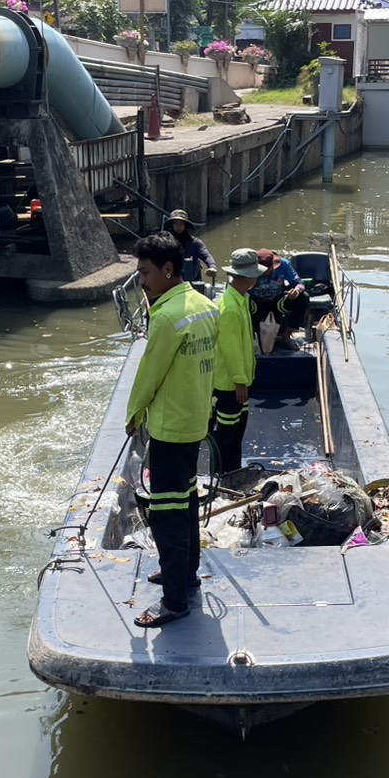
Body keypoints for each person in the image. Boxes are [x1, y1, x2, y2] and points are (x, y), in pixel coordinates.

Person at [125, 232, 220, 628]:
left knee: (166, 514)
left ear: (167, 270)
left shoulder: (166, 317)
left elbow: (150, 373)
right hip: (195, 420)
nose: (142, 282)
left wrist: (133, 413)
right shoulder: (205, 306)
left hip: (169, 428)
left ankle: (174, 601)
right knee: (187, 503)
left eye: (146, 273)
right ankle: (185, 574)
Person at [210, 247, 263, 474]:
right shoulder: (230, 308)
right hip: (229, 385)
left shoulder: (241, 300)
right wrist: (240, 382)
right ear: (249, 278)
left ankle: (233, 471)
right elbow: (231, 349)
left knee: (237, 431)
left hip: (238, 382)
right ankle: (222, 475)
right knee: (227, 434)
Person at [249, 248, 307, 350]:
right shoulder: (249, 268)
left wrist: (296, 290)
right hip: (257, 304)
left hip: (278, 302)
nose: (267, 273)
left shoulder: (284, 264)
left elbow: (299, 283)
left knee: (303, 297)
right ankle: (251, 336)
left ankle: (287, 336)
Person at [164, 209, 217, 287]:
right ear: (171, 225)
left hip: (193, 283)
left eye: (181, 223)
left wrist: (212, 267)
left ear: (185, 225)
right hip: (171, 283)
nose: (178, 226)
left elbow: (206, 256)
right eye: (175, 223)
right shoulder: (165, 243)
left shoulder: (195, 243)